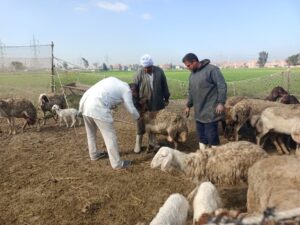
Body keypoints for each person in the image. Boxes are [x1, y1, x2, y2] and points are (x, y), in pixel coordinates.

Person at [79, 77, 140, 169]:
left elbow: (109, 96)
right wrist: (138, 117)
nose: (133, 96)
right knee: (110, 137)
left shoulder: (114, 80)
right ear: (133, 90)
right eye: (134, 94)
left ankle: (94, 154)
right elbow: (130, 107)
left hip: (85, 104)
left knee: (91, 133)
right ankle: (117, 164)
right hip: (97, 106)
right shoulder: (127, 90)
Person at [182, 53, 227, 150]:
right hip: (199, 112)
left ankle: (215, 159)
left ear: (194, 61)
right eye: (186, 66)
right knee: (201, 137)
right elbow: (191, 92)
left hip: (210, 111)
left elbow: (222, 86)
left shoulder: (212, 70)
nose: (187, 68)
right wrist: (188, 106)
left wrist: (221, 102)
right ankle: (203, 156)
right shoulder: (192, 75)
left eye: (188, 65)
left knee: (211, 136)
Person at [133, 54, 170, 153]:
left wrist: (166, 97)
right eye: (144, 68)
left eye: (148, 68)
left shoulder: (159, 71)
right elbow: (134, 89)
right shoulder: (139, 73)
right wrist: (137, 102)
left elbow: (164, 85)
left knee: (154, 123)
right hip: (144, 104)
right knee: (141, 122)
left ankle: (152, 142)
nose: (146, 70)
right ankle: (138, 143)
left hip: (157, 102)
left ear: (152, 66)